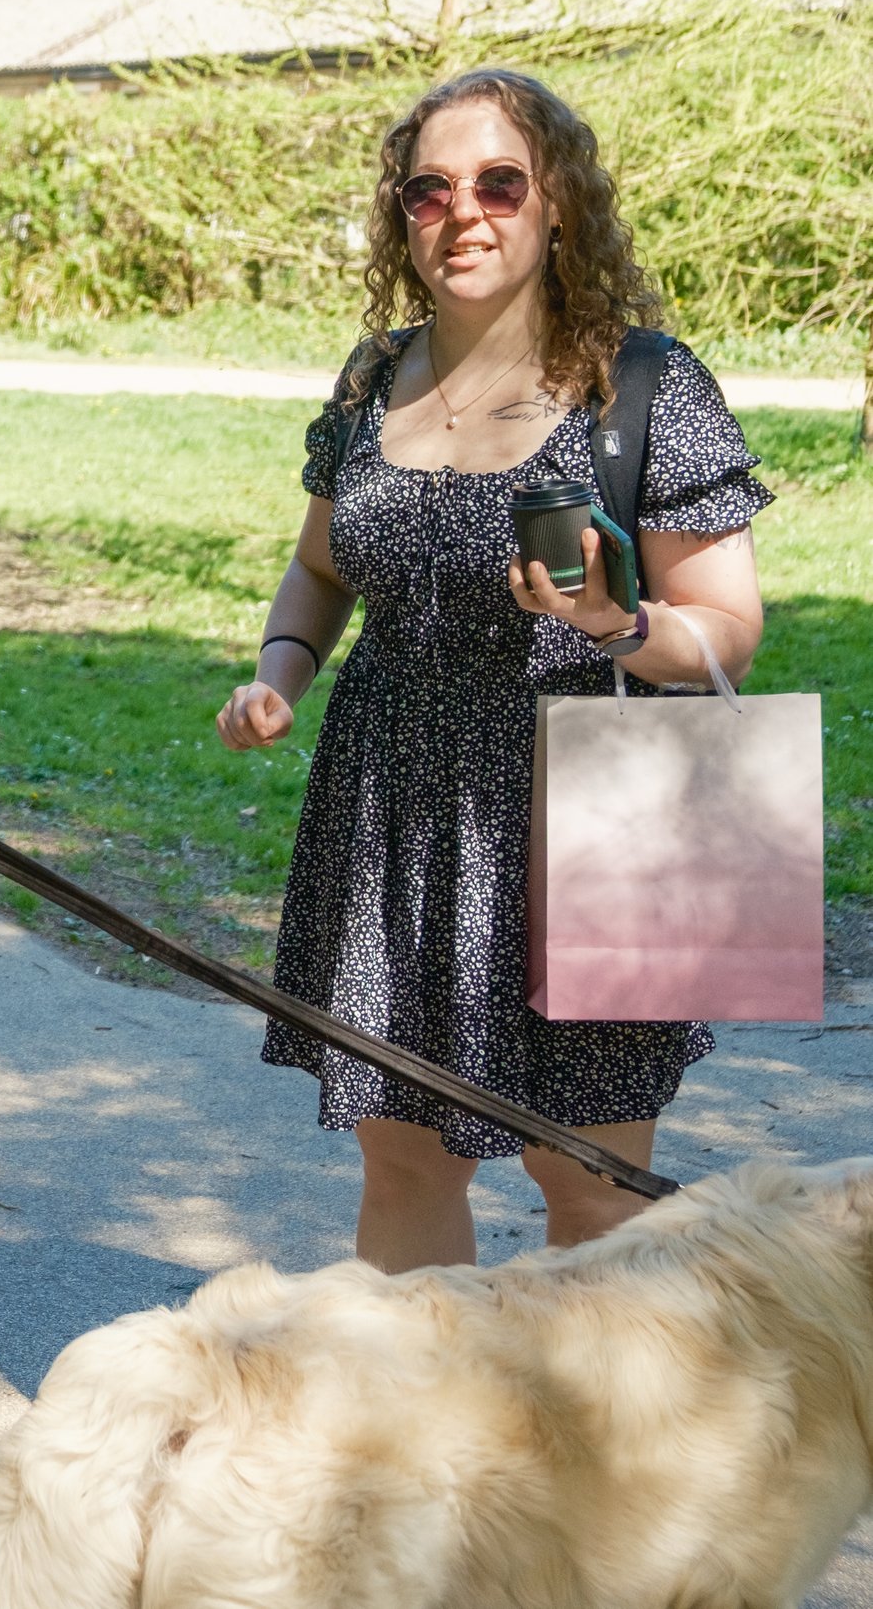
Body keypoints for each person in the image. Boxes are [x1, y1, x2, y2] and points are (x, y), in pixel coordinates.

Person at [216, 68, 771, 1273]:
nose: (461, 211)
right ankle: (430, 1448)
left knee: (589, 1185)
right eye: (428, 189)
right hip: (389, 811)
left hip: (592, 814)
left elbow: (725, 625)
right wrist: (279, 673)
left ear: (557, 201)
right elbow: (320, 570)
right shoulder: (373, 379)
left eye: (498, 182)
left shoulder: (641, 386)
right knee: (404, 1165)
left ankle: (613, 1455)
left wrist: (620, 624)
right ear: (399, 216)